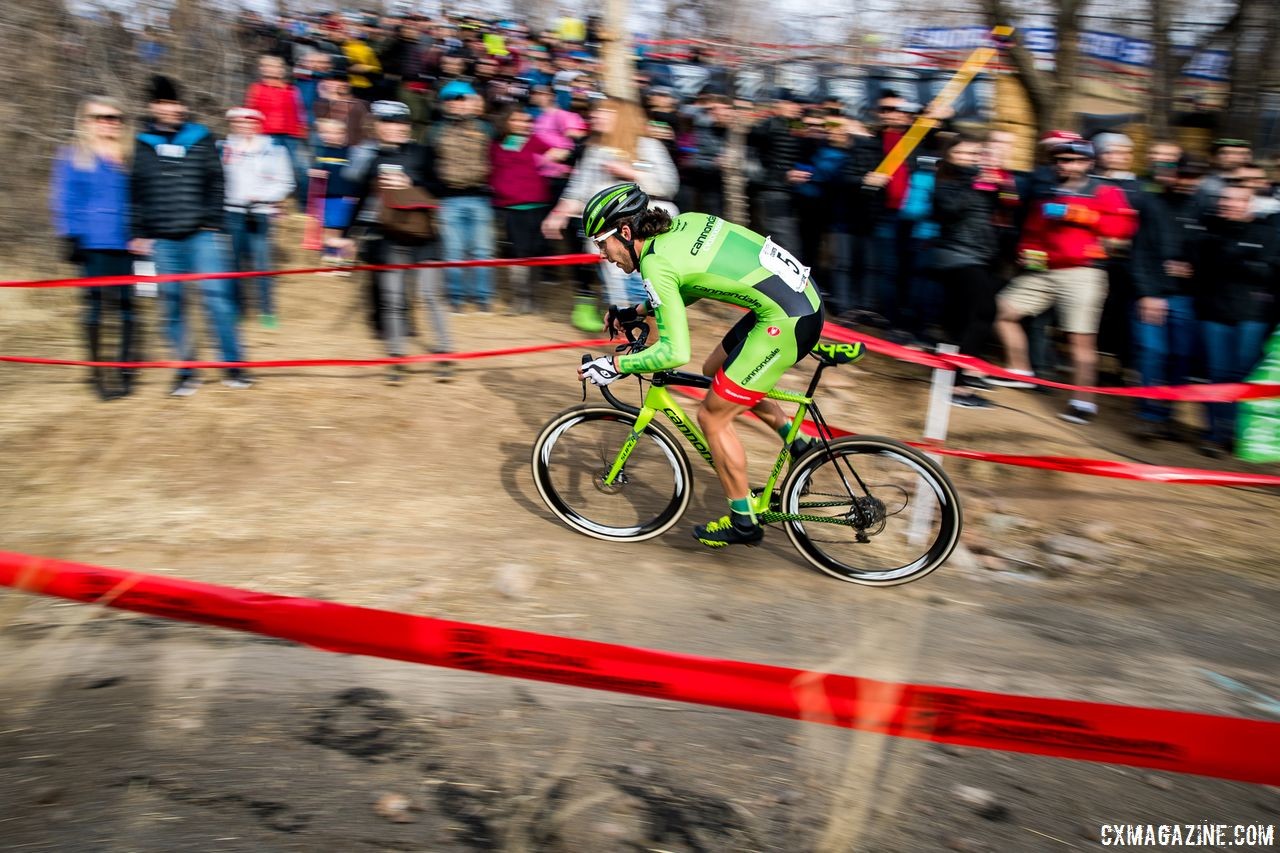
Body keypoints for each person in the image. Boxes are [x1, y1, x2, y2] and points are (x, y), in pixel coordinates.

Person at [575, 183, 829, 549]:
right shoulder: (684, 222)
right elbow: (690, 283)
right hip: (799, 298)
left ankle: (744, 521)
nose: (602, 255)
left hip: (785, 319)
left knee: (712, 416)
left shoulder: (654, 263)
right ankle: (799, 446)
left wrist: (616, 364)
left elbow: (675, 352)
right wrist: (636, 312)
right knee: (716, 370)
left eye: (602, 243)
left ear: (626, 233)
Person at [992, 136, 1136, 424]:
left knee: (1080, 340)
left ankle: (1083, 403)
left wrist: (1078, 213)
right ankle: (1020, 371)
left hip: (1084, 272)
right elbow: (1033, 232)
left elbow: (1122, 227)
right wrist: (1027, 253)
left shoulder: (1105, 190)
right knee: (1001, 310)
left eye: (1071, 160)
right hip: (1044, 271)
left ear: (1088, 163)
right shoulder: (1048, 190)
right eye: (1059, 160)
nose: (1063, 164)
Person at [131, 75, 248, 397]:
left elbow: (216, 181)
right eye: (164, 103)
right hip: (163, 241)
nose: (171, 109)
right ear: (153, 106)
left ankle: (234, 367)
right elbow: (137, 190)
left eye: (175, 102)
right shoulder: (142, 143)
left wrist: (214, 223)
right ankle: (186, 372)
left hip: (201, 234)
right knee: (172, 308)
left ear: (182, 106)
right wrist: (138, 233)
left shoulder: (200, 137)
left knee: (218, 300)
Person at [541, 97, 679, 331]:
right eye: (596, 112)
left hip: (646, 232)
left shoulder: (647, 146)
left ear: (622, 118)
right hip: (610, 237)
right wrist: (560, 212)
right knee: (620, 294)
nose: (596, 116)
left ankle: (656, 343)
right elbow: (579, 189)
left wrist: (631, 172)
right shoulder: (595, 151)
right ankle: (636, 341)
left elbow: (669, 185)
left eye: (605, 112)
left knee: (647, 291)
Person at [339, 99, 452, 382]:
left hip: (425, 237)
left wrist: (411, 184)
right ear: (378, 127)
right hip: (391, 239)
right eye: (387, 123)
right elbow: (361, 199)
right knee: (392, 300)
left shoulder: (424, 153)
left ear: (408, 126)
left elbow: (442, 188)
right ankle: (397, 357)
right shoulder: (374, 159)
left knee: (431, 298)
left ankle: (444, 356)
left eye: (399, 123)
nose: (393, 128)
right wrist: (348, 236)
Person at [50, 96, 136, 400]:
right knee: (96, 310)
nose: (108, 123)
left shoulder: (128, 155)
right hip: (93, 243)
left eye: (114, 117)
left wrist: (142, 233)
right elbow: (65, 198)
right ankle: (97, 372)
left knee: (128, 309)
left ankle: (125, 369)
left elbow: (139, 198)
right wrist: (70, 236)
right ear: (87, 122)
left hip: (127, 243)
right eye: (101, 117)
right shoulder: (74, 155)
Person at [1188, 183, 1279, 456]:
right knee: (1217, 376)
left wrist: (1239, 261)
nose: (1227, 203)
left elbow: (1269, 271)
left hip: (1252, 316)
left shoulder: (1267, 232)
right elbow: (1199, 269)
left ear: (1250, 204)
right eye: (1224, 198)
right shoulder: (1210, 229)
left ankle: (1242, 435)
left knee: (1244, 377)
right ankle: (1216, 434)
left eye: (1236, 200)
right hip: (1215, 314)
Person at [930, 132, 1018, 408]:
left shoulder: (982, 181)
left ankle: (962, 372)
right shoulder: (946, 182)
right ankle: (959, 386)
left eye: (974, 154)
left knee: (964, 319)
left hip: (980, 257)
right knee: (984, 312)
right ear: (951, 156)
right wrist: (976, 183)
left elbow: (1009, 206)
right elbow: (949, 210)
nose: (970, 159)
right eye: (964, 154)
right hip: (956, 256)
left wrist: (1002, 186)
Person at [424, 81, 497, 311]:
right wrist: (435, 191)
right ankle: (456, 299)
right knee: (453, 252)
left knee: (482, 251)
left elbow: (499, 158)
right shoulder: (434, 130)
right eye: (452, 100)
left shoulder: (486, 129)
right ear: (444, 104)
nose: (458, 104)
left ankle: (483, 298)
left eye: (462, 99)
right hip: (448, 199)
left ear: (472, 102)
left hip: (480, 197)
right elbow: (427, 163)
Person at [220, 107, 295, 327]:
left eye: (249, 123)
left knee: (262, 263)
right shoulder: (224, 148)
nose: (245, 127)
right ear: (233, 124)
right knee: (234, 263)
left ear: (258, 124)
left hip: (260, 213)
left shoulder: (274, 150)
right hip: (232, 212)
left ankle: (267, 311)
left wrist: (263, 196)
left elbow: (286, 182)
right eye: (239, 123)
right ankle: (238, 308)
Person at [488, 103, 565, 313]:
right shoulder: (495, 145)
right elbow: (490, 170)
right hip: (511, 207)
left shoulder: (533, 140)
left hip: (537, 204)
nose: (522, 124)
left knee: (535, 252)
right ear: (506, 122)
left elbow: (560, 152)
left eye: (525, 120)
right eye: (516, 119)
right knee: (518, 253)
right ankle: (519, 299)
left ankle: (533, 298)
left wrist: (555, 155)